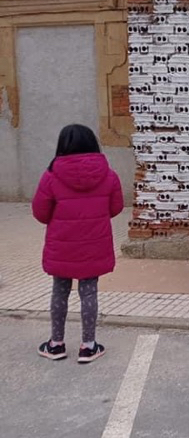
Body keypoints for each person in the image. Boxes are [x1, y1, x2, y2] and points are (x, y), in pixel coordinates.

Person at [32, 124, 124, 363]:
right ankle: (88, 346)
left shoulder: (51, 175)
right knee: (89, 291)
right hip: (95, 244)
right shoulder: (109, 174)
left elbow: (41, 213)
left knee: (59, 291)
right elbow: (115, 208)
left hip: (61, 245)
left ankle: (56, 344)